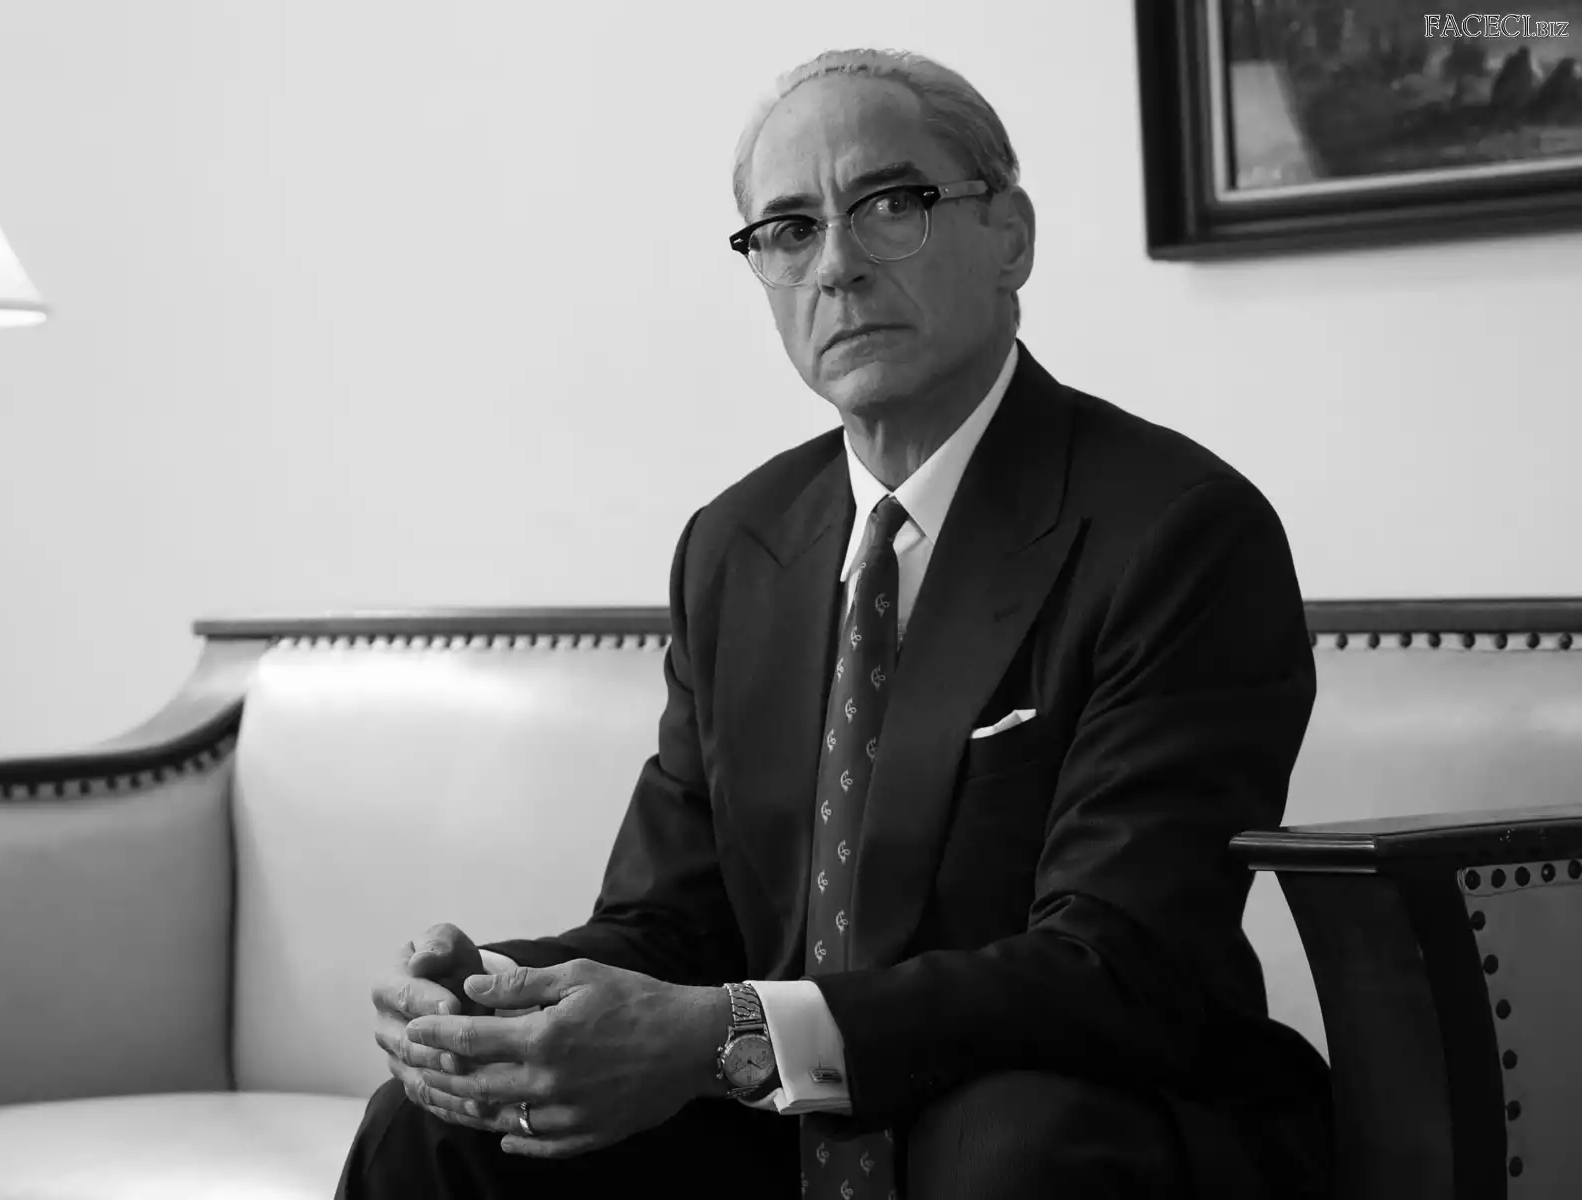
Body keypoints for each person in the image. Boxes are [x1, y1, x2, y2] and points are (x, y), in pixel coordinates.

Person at [337, 46, 1331, 1200]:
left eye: (891, 204)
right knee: (436, 1130)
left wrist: (730, 1033)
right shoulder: (736, 544)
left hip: (1088, 1107)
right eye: (790, 229)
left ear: (1011, 237)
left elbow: (1118, 966)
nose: (838, 266)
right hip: (788, 1118)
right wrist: (498, 1000)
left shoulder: (1179, 531)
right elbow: (672, 925)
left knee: (1004, 1148)